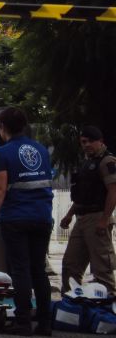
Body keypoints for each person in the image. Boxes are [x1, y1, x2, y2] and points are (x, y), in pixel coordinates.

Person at [0, 107, 54, 336]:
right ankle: (45, 322)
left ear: (2, 127)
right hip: (42, 216)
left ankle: (23, 321)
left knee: (20, 269)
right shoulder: (41, 150)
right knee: (39, 270)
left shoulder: (3, 154)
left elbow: (0, 189)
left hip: (16, 217)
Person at [59, 125, 116, 295]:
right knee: (70, 265)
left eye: (91, 141)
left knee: (101, 268)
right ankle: (72, 303)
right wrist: (69, 215)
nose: (87, 145)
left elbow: (113, 191)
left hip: (98, 216)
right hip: (82, 217)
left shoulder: (107, 161)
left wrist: (104, 220)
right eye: (83, 142)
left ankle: (107, 306)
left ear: (101, 141)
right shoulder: (86, 163)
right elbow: (82, 195)